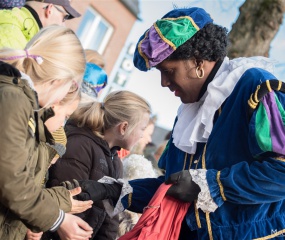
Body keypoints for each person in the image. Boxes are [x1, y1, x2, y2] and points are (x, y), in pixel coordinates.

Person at [64, 6, 285, 239]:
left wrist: (213, 184)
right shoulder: (187, 113)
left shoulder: (254, 87)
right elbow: (174, 188)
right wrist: (114, 190)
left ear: (198, 61)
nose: (163, 83)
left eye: (169, 71)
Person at [0, 25, 93, 240]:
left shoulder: (20, 100)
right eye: (71, 86)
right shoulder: (14, 100)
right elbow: (10, 180)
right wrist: (57, 219)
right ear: (59, 81)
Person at [47, 90, 151, 240]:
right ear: (123, 127)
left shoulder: (116, 162)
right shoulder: (80, 145)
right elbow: (70, 204)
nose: (142, 135)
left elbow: (110, 219)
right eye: (142, 128)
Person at [0, 0, 80, 49]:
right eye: (64, 17)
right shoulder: (12, 34)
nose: (63, 25)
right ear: (49, 9)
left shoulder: (20, 31)